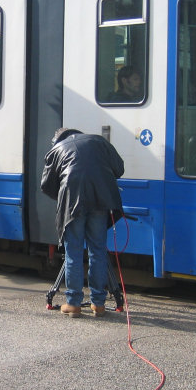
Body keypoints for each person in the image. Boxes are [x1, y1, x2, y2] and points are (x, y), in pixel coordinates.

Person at [41, 128, 124, 317]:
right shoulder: (99, 142)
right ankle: (98, 303)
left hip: (72, 205)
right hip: (100, 202)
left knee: (74, 253)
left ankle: (74, 303)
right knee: (98, 251)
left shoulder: (57, 149)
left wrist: (65, 195)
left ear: (58, 140)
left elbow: (46, 185)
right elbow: (119, 169)